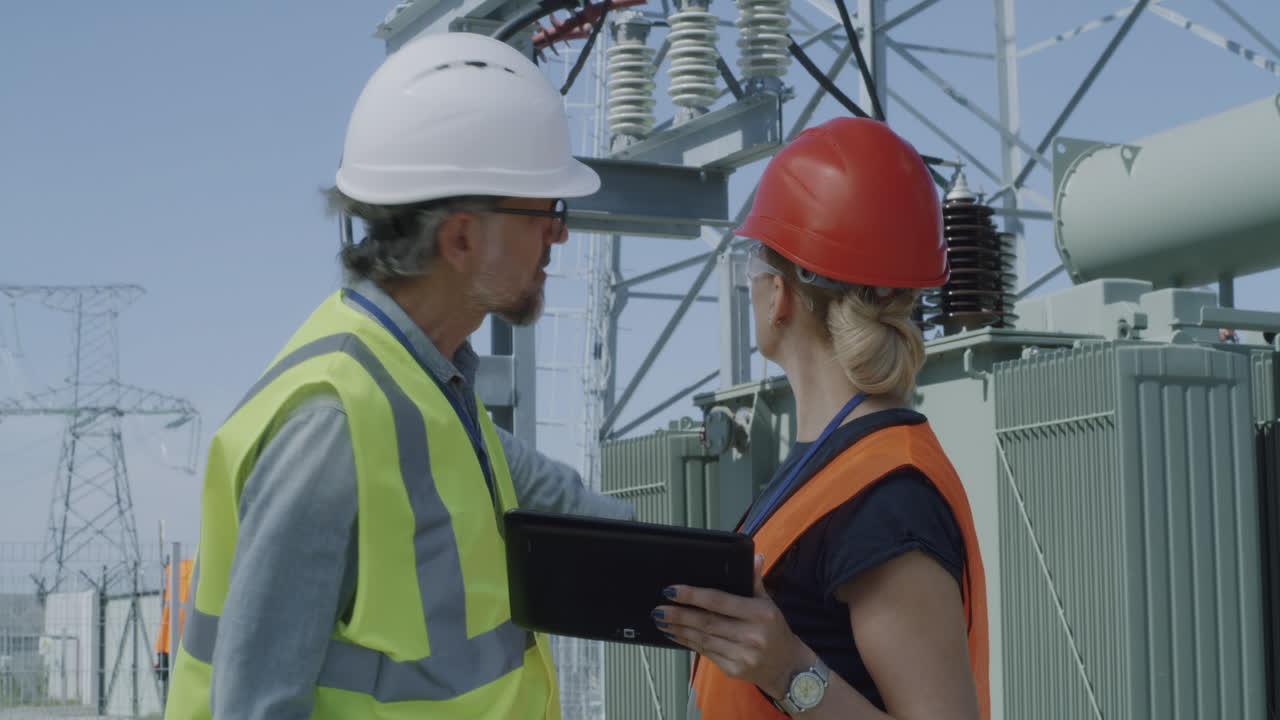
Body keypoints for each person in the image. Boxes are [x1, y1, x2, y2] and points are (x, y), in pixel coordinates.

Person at [164, 31, 631, 720]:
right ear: (462, 239)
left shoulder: (430, 388)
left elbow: (553, 495)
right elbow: (258, 704)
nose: (559, 237)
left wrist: (725, 566)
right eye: (546, 214)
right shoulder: (332, 421)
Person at [656, 118, 989, 720]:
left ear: (779, 293)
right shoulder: (832, 467)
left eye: (755, 259)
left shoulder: (888, 499)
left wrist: (787, 670)